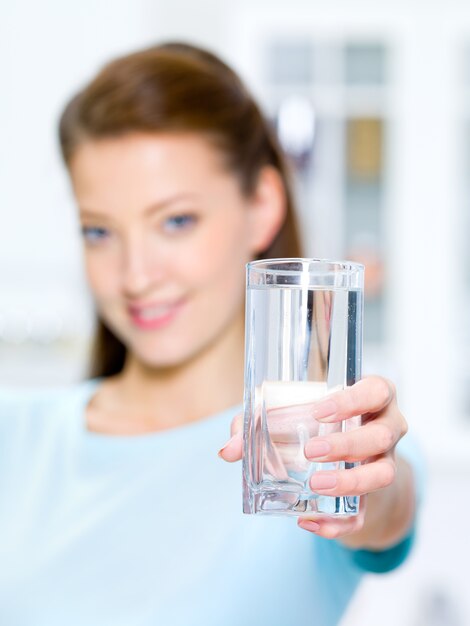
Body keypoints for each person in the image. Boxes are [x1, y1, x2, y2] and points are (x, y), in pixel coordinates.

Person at [0, 42, 421, 626]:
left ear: (262, 206)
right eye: (99, 232)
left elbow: (386, 508)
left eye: (176, 221)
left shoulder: (321, 443)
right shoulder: (13, 437)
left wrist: (368, 486)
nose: (137, 275)